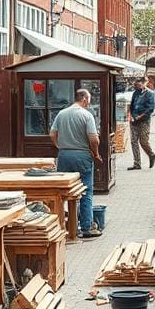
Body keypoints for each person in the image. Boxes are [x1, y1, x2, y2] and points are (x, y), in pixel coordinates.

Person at [50, 89, 103, 239]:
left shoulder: (62, 114)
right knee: (86, 191)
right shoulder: (86, 115)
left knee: (64, 192)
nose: (89, 103)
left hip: (65, 155)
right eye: (89, 100)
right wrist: (96, 154)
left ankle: (62, 224)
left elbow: (52, 134)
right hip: (82, 155)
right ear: (85, 99)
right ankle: (86, 227)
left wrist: (60, 146)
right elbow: (94, 139)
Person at [127, 77, 155, 170]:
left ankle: (151, 154)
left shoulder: (150, 94)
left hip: (144, 121)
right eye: (136, 84)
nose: (137, 85)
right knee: (133, 141)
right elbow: (132, 105)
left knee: (143, 141)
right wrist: (130, 115)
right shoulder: (135, 93)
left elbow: (150, 108)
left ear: (144, 83)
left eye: (139, 84)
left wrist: (141, 116)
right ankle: (137, 163)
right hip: (134, 120)